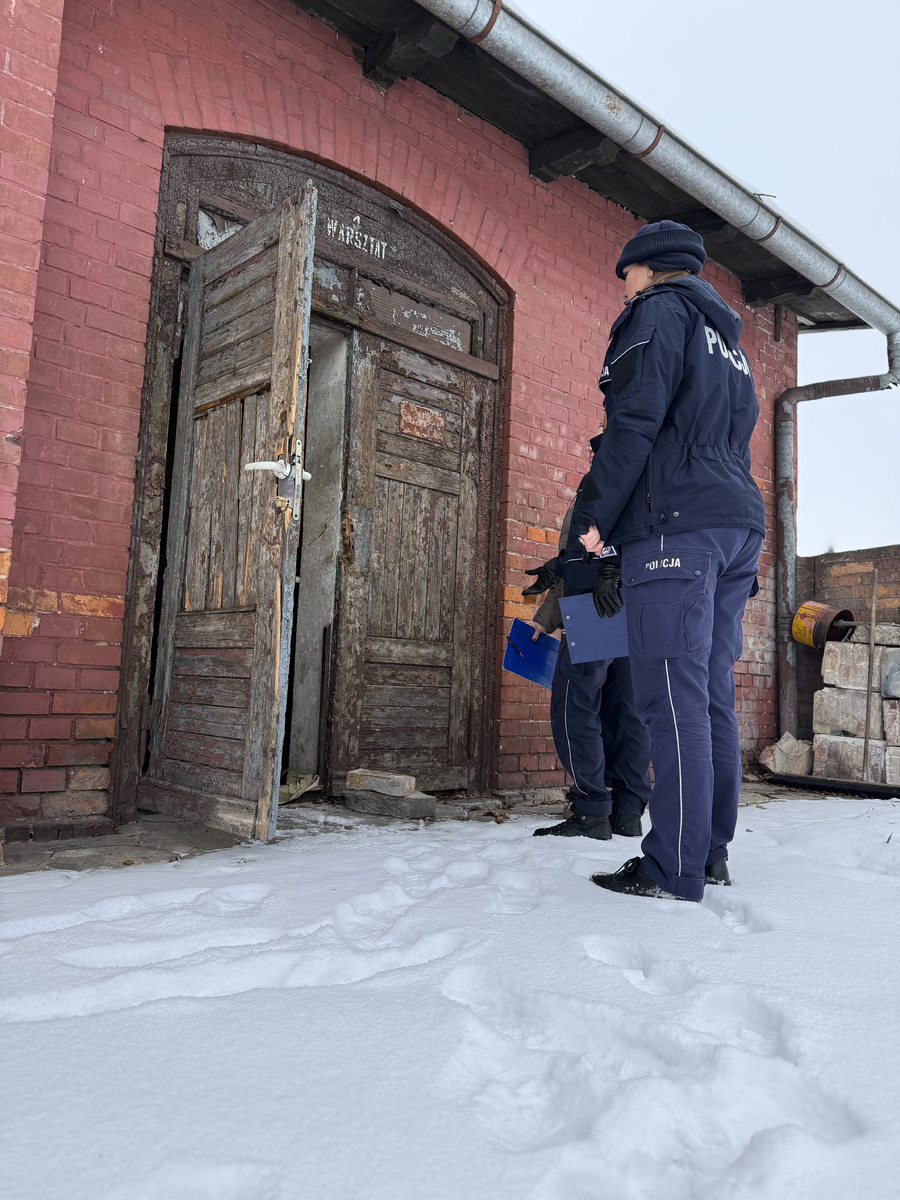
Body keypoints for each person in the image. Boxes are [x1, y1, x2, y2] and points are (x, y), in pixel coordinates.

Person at [567, 220, 765, 902]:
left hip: (675, 528)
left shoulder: (656, 313)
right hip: (735, 526)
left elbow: (633, 425)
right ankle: (708, 852)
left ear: (649, 268)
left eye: (625, 274)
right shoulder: (729, 344)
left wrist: (591, 524)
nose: (622, 287)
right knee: (708, 694)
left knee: (671, 697)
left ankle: (673, 867)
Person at [522, 485, 652, 841]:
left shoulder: (609, 479)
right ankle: (627, 811)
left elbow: (584, 559)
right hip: (634, 605)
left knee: (574, 707)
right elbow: (575, 560)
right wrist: (546, 617)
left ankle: (591, 810)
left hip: (596, 606)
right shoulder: (647, 477)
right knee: (627, 711)